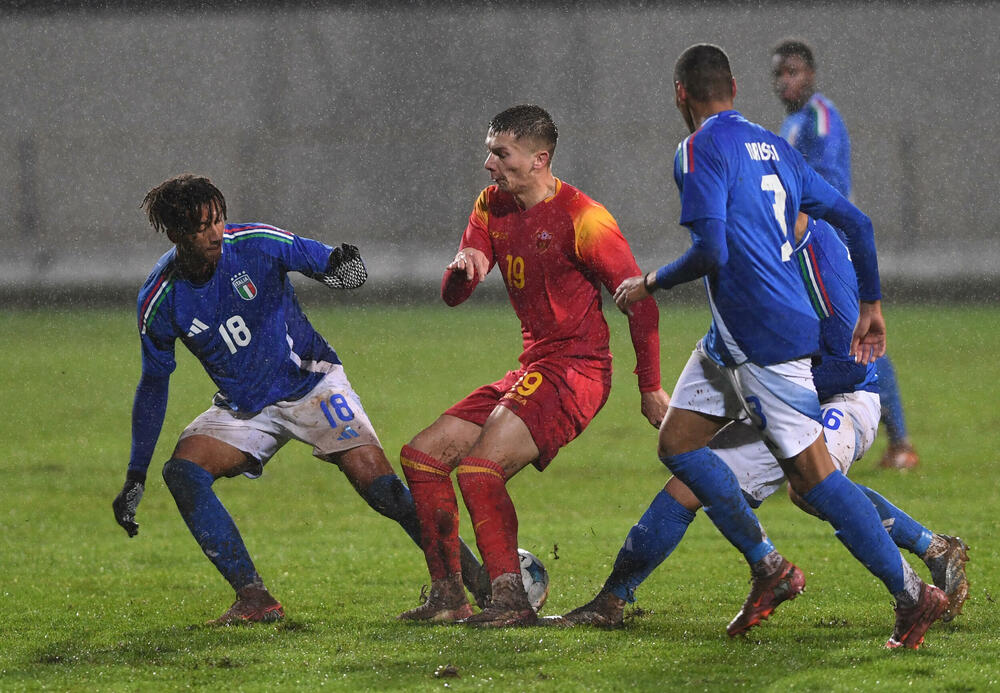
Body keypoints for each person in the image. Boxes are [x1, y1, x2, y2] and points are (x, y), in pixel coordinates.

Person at [610, 44, 947, 649]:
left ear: (680, 93)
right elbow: (859, 223)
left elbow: (713, 251)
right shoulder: (777, 146)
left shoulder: (697, 148)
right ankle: (767, 566)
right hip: (729, 340)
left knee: (814, 482)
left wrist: (650, 282)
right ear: (736, 88)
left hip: (763, 341)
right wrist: (872, 304)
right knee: (678, 443)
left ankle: (913, 593)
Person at [554, 216, 969, 631]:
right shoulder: (751, 234)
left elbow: (846, 364)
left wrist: (758, 398)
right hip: (768, 379)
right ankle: (610, 602)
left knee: (809, 487)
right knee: (690, 481)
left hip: (841, 396)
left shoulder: (820, 261)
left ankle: (923, 562)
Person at [111, 174, 489, 625]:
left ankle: (478, 585)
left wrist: (342, 268)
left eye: (218, 220)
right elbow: (153, 386)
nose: (215, 234)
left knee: (383, 490)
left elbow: (324, 259)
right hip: (246, 408)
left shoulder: (256, 243)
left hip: (312, 384)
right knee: (182, 473)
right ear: (175, 234)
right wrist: (136, 474)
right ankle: (254, 599)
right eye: (200, 227)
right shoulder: (161, 299)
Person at [396, 105, 670, 627]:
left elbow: (641, 302)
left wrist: (650, 387)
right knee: (423, 456)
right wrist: (462, 272)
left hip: (578, 372)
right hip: (535, 366)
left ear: (539, 159)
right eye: (489, 150)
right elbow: (457, 292)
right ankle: (448, 595)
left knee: (480, 470)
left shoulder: (585, 220)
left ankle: (510, 601)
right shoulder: (491, 206)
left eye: (500, 153)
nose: (488, 163)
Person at [771, 38, 919, 470]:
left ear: (811, 74)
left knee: (860, 340)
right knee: (826, 341)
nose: (785, 82)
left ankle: (899, 443)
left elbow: (826, 186)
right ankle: (809, 440)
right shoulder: (794, 123)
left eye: (793, 72)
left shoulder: (819, 119)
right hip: (810, 247)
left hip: (830, 247)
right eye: (779, 74)